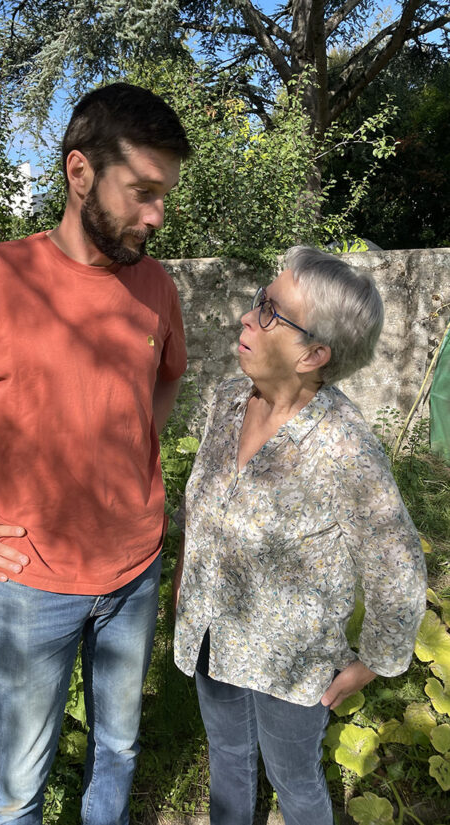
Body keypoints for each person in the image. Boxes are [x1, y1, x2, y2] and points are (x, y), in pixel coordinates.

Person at [0, 82, 190, 825]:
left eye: (164, 196)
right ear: (79, 172)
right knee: (18, 783)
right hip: (33, 582)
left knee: (118, 747)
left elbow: (167, 375)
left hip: (135, 569)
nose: (156, 215)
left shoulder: (155, 285)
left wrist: (134, 457)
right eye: (143, 192)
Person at [173, 246, 427, 825]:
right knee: (227, 759)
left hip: (292, 664)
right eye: (258, 301)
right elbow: (202, 503)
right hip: (213, 634)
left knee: (295, 782)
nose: (247, 317)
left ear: (313, 354)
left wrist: (377, 660)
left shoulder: (344, 445)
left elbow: (396, 563)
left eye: (270, 311)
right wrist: (186, 583)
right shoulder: (227, 401)